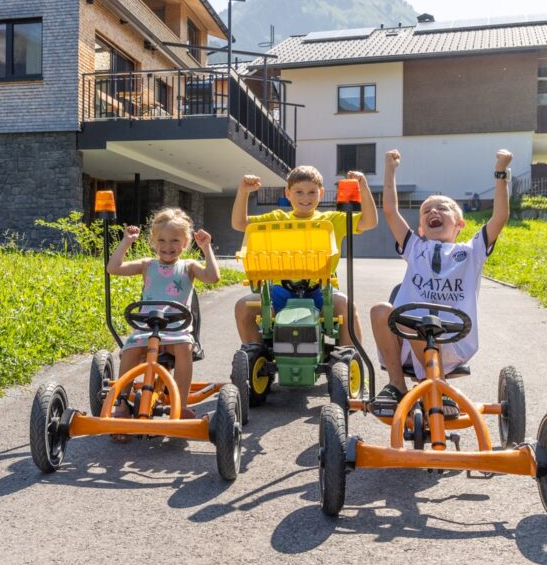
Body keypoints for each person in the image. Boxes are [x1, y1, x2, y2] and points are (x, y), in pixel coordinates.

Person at [370, 148, 513, 418]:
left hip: (451, 340)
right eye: (426, 210)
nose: (433, 211)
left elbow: (499, 218)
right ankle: (397, 385)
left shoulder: (471, 252)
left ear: (460, 224)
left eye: (443, 208)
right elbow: (390, 210)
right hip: (409, 338)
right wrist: (389, 168)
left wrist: (501, 173)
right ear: (421, 228)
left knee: (413, 316)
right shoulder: (414, 247)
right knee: (380, 310)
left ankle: (436, 382)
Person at [231, 165, 378, 348]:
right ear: (288, 193)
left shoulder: (332, 220)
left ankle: (349, 357)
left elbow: (369, 221)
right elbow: (239, 223)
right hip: (279, 292)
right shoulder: (277, 218)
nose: (305, 198)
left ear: (321, 193)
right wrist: (243, 191)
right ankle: (255, 353)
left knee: (347, 306)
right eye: (299, 192)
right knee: (243, 307)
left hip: (321, 292)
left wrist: (363, 187)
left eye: (312, 192)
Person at [106, 208, 220, 433]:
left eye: (175, 240)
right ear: (153, 241)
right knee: (130, 350)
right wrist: (126, 242)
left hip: (176, 329)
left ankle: (181, 405)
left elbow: (213, 277)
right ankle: (122, 403)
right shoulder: (147, 265)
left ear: (185, 242)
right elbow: (113, 268)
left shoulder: (189, 267)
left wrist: (206, 248)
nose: (168, 246)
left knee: (184, 349)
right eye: (162, 240)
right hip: (147, 328)